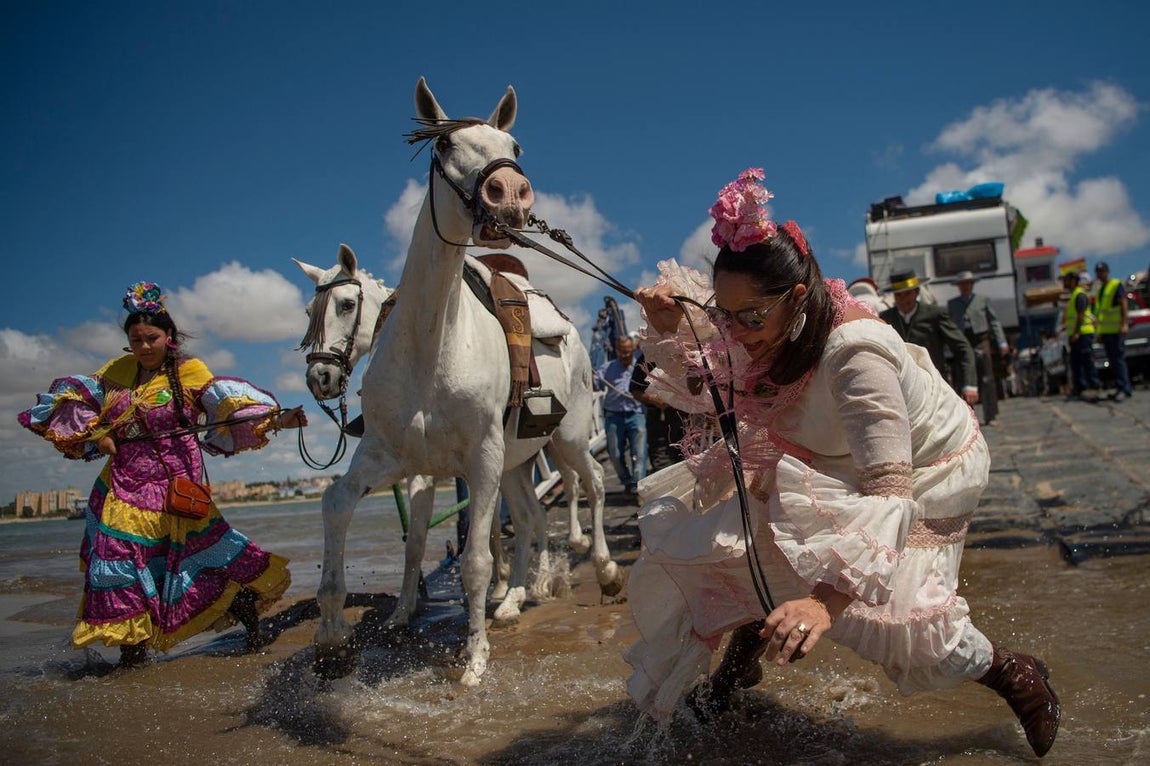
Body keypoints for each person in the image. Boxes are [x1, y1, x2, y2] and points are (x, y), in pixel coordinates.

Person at [627, 168, 1060, 757]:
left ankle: (1012, 673)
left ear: (797, 298)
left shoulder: (856, 355)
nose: (737, 332)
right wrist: (669, 327)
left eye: (750, 317)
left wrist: (823, 603)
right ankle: (734, 672)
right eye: (725, 316)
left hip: (925, 469)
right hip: (830, 453)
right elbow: (720, 389)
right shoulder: (767, 329)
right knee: (742, 541)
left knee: (899, 623)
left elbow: (890, 496)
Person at [17, 282, 306, 667]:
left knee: (203, 560)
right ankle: (131, 658)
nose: (144, 347)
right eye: (136, 340)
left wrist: (278, 420)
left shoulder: (189, 372)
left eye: (151, 338)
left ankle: (252, 630)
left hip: (176, 488)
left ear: (168, 336)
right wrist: (98, 433)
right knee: (118, 562)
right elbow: (78, 405)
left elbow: (228, 408)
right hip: (122, 486)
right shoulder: (116, 373)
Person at [880, 269, 979, 407]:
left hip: (935, 386)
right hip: (902, 389)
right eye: (898, 295)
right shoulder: (885, 318)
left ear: (917, 293)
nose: (903, 299)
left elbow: (963, 347)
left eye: (908, 294)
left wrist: (970, 384)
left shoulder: (935, 314)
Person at [947, 271, 1010, 425]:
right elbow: (949, 325)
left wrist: (1002, 342)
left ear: (972, 284)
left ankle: (991, 415)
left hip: (981, 340)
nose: (965, 287)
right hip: (962, 342)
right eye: (962, 284)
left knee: (987, 378)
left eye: (967, 283)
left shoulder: (982, 300)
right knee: (964, 379)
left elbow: (994, 322)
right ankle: (968, 417)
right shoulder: (952, 304)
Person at [594, 335, 648, 496]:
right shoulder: (606, 368)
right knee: (615, 454)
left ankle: (637, 487)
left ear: (633, 350)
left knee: (638, 453)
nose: (625, 355)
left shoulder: (640, 367)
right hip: (614, 415)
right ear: (617, 351)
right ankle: (626, 480)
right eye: (622, 352)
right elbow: (594, 384)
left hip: (636, 413)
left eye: (628, 352)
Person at [629, 356, 687, 471]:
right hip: (659, 423)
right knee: (662, 465)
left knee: (686, 466)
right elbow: (635, 390)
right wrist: (653, 399)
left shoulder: (683, 355)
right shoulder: (645, 358)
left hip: (684, 424)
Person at [1093, 262, 1133, 401]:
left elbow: (1123, 303)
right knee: (1112, 361)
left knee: (1118, 360)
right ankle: (1119, 387)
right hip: (1106, 331)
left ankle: (1125, 389)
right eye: (1098, 272)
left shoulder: (1115, 285)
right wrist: (1099, 333)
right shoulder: (1100, 290)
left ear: (1107, 271)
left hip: (1116, 329)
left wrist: (1124, 324)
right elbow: (1100, 313)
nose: (1100, 274)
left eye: (1102, 271)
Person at [1062, 270, 1101, 401]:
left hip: (1083, 333)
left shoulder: (1080, 295)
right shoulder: (1074, 295)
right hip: (1076, 334)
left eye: (1066, 280)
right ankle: (1080, 387)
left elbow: (1081, 315)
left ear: (1073, 281)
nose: (1064, 283)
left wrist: (1077, 332)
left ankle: (1093, 386)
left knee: (1086, 360)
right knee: (1076, 362)